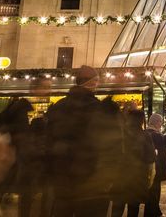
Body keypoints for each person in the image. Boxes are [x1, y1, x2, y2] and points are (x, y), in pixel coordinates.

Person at [46, 65, 122, 217]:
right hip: (93, 185)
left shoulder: (58, 107)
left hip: (63, 183)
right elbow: (112, 147)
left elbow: (48, 144)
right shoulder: (99, 109)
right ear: (92, 82)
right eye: (97, 81)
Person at [113, 109, 156, 217]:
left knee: (117, 206)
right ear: (141, 120)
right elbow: (151, 157)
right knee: (133, 207)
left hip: (120, 175)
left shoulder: (121, 134)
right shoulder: (145, 135)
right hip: (137, 177)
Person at [146, 113, 166, 217]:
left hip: (148, 167)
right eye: (160, 122)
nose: (161, 124)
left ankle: (152, 212)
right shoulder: (157, 135)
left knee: (151, 191)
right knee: (155, 192)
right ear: (156, 122)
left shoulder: (146, 133)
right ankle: (155, 213)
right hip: (157, 167)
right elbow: (162, 152)